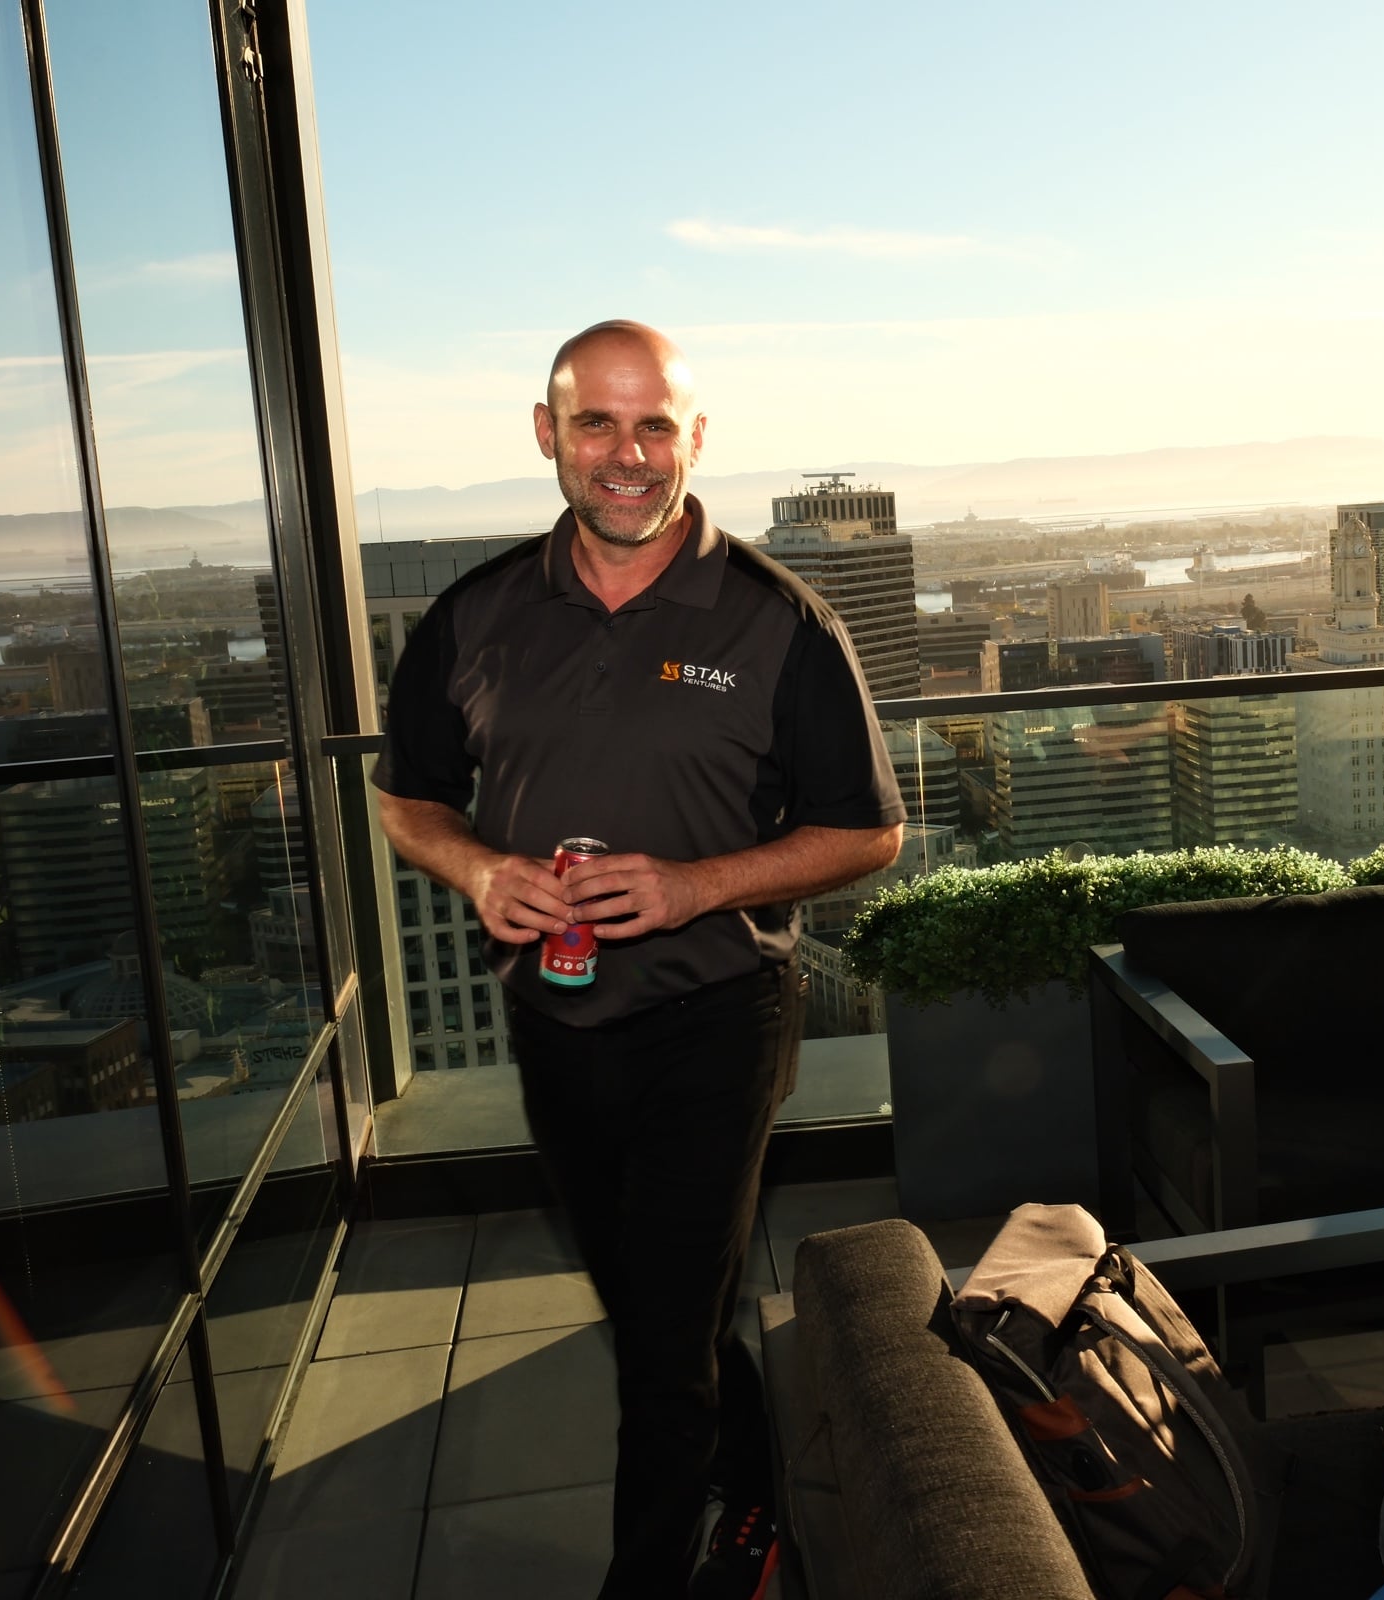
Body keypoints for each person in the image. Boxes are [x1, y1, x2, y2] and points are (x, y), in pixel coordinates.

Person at [373, 320, 906, 1599]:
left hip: (716, 1018)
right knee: (653, 1297)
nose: (627, 455)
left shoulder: (782, 622)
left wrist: (693, 888)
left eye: (654, 423)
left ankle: (658, 1575)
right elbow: (410, 800)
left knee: (661, 1346)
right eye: (596, 423)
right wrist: (480, 871)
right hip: (553, 1025)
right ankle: (763, 1478)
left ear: (696, 438)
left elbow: (871, 832)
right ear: (548, 433)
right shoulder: (476, 615)